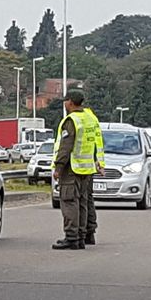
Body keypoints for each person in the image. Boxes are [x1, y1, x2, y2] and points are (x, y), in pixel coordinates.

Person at [52, 90, 103, 250]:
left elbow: (65, 147)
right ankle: (81, 236)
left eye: (66, 100)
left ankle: (71, 237)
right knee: (83, 203)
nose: (64, 103)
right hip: (86, 168)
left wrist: (58, 167)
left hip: (72, 169)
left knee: (69, 202)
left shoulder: (71, 120)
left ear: (71, 102)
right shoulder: (89, 118)